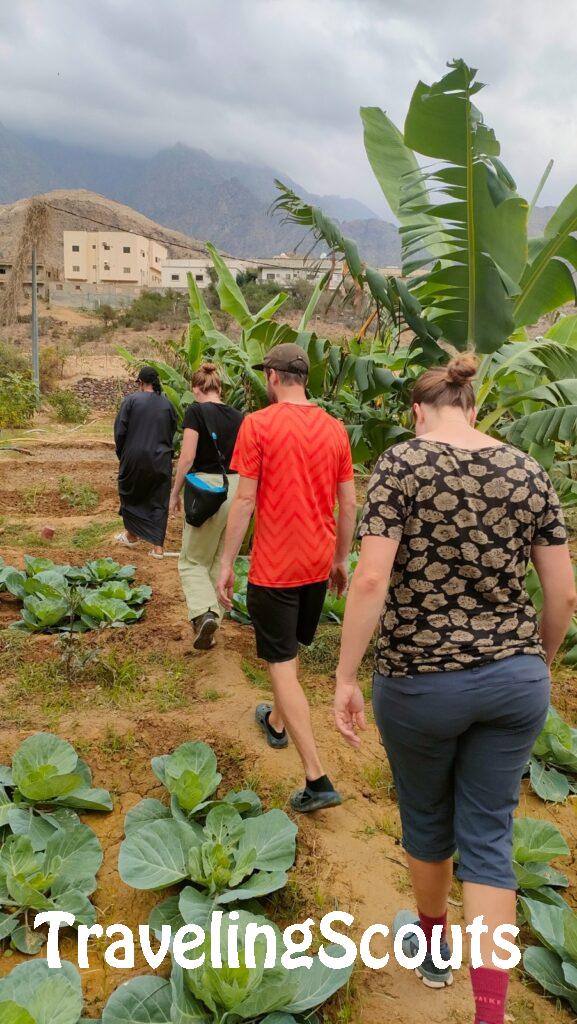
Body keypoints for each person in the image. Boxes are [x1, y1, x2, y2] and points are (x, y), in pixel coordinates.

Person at [333, 353, 576, 1024]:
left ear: (416, 411)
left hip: (420, 683)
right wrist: (537, 663)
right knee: (490, 839)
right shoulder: (527, 471)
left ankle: (434, 946)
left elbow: (371, 581)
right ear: (473, 408)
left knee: (426, 820)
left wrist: (346, 674)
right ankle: (490, 1014)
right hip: (512, 680)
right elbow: (562, 593)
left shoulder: (401, 465)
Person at [216, 342, 357, 813]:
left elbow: (244, 500)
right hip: (317, 562)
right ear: (304, 378)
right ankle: (276, 721)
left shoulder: (258, 424)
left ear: (273, 377)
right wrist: (341, 560)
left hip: (275, 566)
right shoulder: (335, 429)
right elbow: (348, 503)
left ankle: (316, 777)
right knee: (289, 650)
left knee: (280, 661)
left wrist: (224, 562)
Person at [169, 362, 243, 650]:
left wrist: (175, 492)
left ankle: (205, 613)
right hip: (236, 489)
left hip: (207, 489)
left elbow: (187, 457)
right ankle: (210, 625)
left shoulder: (195, 411)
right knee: (218, 560)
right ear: (220, 388)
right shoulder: (239, 416)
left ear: (196, 389)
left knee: (191, 561)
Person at [114, 366, 177, 558]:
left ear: (141, 383)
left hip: (134, 457)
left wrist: (124, 455)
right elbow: (171, 431)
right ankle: (158, 548)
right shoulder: (167, 404)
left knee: (132, 494)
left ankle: (132, 536)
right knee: (159, 499)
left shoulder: (131, 401)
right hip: (160, 459)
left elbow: (120, 432)